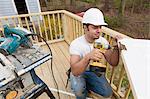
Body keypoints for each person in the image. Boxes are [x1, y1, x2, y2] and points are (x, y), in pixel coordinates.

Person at [69, 8, 121, 99]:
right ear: (85, 27)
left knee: (107, 93)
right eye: (95, 27)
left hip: (94, 71)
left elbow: (113, 62)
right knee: (79, 91)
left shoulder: (103, 42)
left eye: (100, 27)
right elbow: (75, 71)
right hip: (80, 71)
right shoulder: (76, 44)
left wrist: (116, 47)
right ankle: (81, 88)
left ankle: (87, 85)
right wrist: (87, 57)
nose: (99, 31)